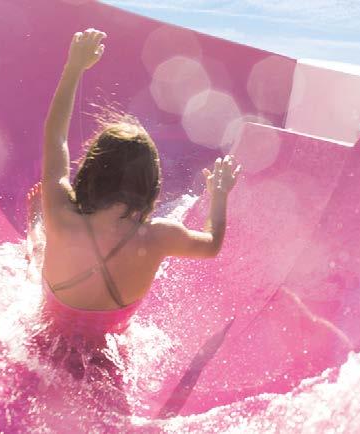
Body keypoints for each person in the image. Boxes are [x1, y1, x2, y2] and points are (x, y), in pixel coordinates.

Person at [26, 28, 241, 389]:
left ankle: (34, 225)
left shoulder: (62, 212)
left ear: (92, 169)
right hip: (107, 355)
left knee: (40, 248)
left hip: (43, 340)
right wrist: (219, 197)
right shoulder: (161, 236)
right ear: (151, 183)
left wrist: (74, 67)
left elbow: (55, 136)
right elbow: (212, 245)